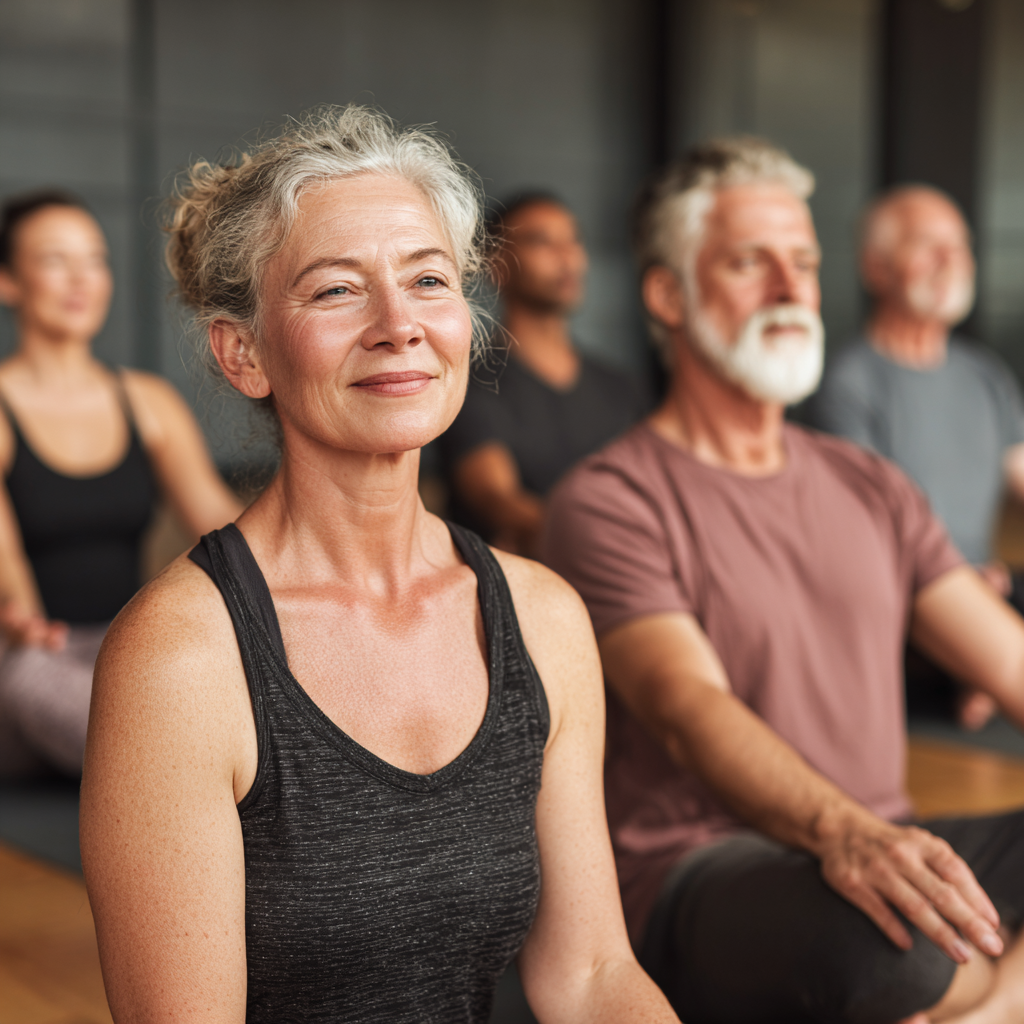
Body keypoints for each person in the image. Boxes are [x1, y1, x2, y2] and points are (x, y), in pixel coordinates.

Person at [79, 106, 677, 1024]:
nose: (400, 325)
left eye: (428, 281)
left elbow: (592, 976)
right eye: (335, 292)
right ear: (243, 355)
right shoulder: (182, 662)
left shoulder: (543, 617)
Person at [544, 137, 1024, 1024]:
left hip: (888, 844)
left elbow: (1009, 659)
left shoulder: (868, 483)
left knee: (913, 933)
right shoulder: (610, 499)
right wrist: (846, 833)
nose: (790, 287)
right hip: (711, 867)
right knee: (897, 949)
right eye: (747, 262)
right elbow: (692, 712)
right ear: (667, 294)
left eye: (802, 261)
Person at [0, 189, 242, 778]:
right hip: (32, 656)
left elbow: (229, 533)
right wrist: (21, 623)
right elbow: (16, 597)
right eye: (55, 260)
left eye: (96, 259)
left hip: (128, 650)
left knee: (182, 684)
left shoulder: (147, 402)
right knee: (38, 675)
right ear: (8, 282)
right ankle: (181, 775)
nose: (82, 280)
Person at [808, 186, 1024, 729]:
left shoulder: (985, 375)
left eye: (960, 246)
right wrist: (964, 580)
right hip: (909, 593)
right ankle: (975, 676)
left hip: (988, 586)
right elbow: (868, 530)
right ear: (876, 269)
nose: (951, 260)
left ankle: (982, 677)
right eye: (929, 245)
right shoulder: (847, 385)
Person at [440, 192, 649, 555]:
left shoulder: (620, 386)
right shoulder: (470, 382)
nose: (566, 256)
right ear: (497, 265)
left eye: (574, 240)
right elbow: (496, 500)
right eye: (542, 241)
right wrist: (613, 543)